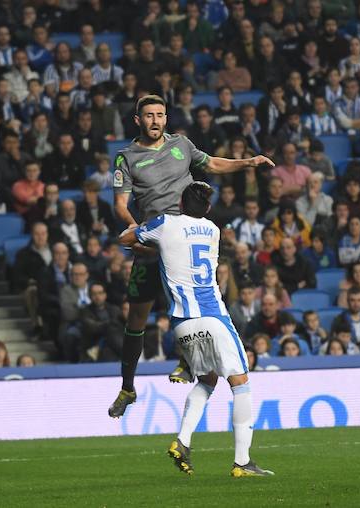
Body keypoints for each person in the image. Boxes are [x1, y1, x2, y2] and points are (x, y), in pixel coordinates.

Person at [108, 95, 273, 418]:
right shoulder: (126, 158)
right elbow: (120, 204)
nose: (155, 120)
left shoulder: (182, 145)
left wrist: (247, 163)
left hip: (183, 238)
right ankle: (128, 387)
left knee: (191, 302)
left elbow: (210, 163)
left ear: (166, 118)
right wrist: (136, 230)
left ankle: (187, 362)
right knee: (136, 320)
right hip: (151, 239)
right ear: (138, 121)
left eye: (160, 115)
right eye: (149, 116)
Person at [119, 181, 273, 476]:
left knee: (207, 380)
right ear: (208, 208)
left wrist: (150, 243)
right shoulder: (214, 230)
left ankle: (183, 441)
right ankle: (243, 462)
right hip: (213, 316)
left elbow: (126, 239)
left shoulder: (164, 224)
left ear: (179, 202)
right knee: (240, 383)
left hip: (181, 323)